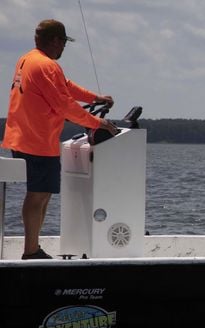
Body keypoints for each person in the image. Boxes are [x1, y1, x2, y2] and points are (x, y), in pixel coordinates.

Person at [2, 19, 118, 259]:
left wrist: (94, 98)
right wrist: (97, 123)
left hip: (23, 136)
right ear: (55, 41)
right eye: (63, 42)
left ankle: (32, 248)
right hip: (37, 141)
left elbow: (64, 87)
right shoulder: (47, 66)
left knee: (41, 193)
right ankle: (31, 251)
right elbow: (64, 104)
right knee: (38, 194)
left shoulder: (28, 60)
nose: (63, 47)